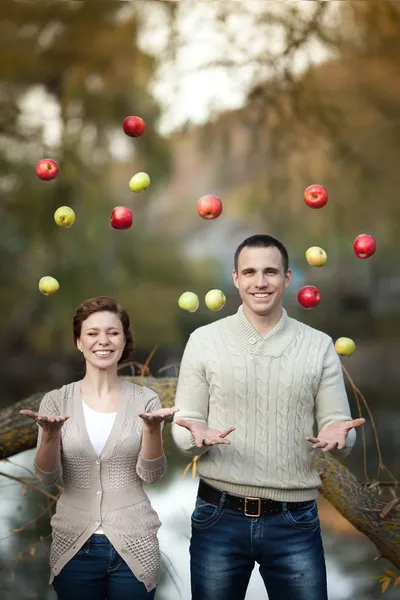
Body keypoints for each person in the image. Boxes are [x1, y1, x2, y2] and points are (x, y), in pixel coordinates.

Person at [171, 234, 365, 600]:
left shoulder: (318, 345)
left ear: (288, 278)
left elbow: (340, 432)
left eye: (270, 272)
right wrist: (194, 435)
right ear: (236, 278)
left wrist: (340, 437)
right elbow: (184, 434)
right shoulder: (204, 340)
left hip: (295, 521)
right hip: (218, 517)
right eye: (250, 272)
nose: (260, 282)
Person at [20, 296, 178, 600]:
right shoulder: (56, 401)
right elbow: (46, 478)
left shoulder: (146, 401)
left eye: (113, 333)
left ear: (124, 340)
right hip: (74, 548)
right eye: (92, 333)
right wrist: (51, 436)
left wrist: (151, 429)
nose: (103, 341)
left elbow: (153, 475)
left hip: (135, 546)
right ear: (79, 341)